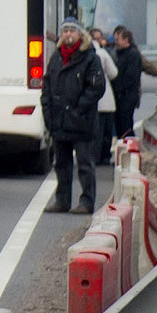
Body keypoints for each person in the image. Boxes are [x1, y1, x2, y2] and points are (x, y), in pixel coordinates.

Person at [43, 27, 110, 212]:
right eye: (65, 31)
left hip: (82, 122)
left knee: (85, 164)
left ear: (81, 35)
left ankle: (87, 202)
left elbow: (97, 87)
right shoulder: (56, 58)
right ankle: (62, 200)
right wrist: (48, 113)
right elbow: (47, 87)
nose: (68, 35)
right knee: (61, 164)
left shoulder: (90, 58)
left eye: (72, 31)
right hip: (59, 121)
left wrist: (78, 109)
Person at [105, 24, 157, 140]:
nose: (115, 43)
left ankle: (129, 147)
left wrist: (117, 87)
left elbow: (133, 76)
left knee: (125, 125)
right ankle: (124, 147)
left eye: (117, 40)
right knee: (121, 125)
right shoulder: (115, 52)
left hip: (126, 96)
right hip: (120, 96)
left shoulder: (133, 55)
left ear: (126, 40)